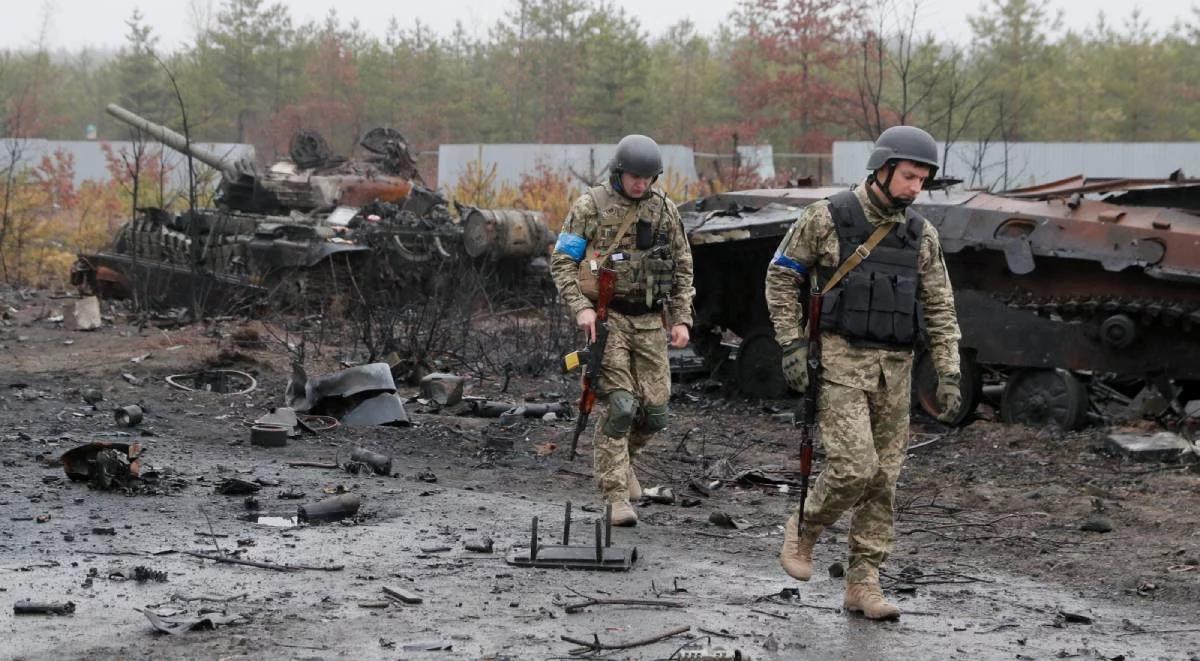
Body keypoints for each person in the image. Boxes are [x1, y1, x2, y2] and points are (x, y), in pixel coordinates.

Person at [764, 125, 962, 619]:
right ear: (883, 168)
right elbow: (781, 275)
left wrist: (949, 371)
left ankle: (864, 583)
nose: (916, 188)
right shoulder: (827, 217)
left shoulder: (921, 234)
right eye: (909, 177)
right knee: (855, 468)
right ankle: (804, 529)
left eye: (923, 180)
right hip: (839, 364)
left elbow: (939, 306)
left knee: (884, 481)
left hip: (895, 372)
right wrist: (791, 341)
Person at [550, 134, 695, 527]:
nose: (641, 185)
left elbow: (682, 267)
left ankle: (624, 462)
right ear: (619, 172)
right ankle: (614, 495)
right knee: (621, 406)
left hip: (649, 320)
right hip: (607, 317)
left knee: (656, 412)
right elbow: (563, 261)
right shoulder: (590, 206)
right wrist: (580, 308)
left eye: (648, 178)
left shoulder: (664, 210)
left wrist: (681, 317)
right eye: (635, 177)